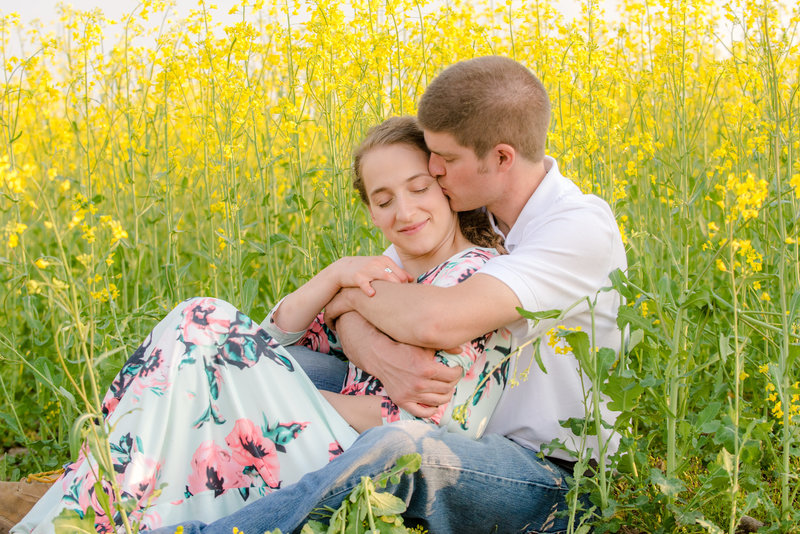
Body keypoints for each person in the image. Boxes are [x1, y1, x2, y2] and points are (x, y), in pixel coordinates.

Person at [152, 55, 628, 533]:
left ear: (501, 158)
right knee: (239, 365)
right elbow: (365, 302)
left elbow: (431, 320)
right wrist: (374, 346)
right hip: (441, 416)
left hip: (545, 470)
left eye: (447, 160)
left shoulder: (575, 229)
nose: (434, 169)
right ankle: (134, 496)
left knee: (400, 449)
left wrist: (353, 300)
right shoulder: (466, 214)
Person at [12, 117, 511, 533]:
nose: (404, 211)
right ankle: (97, 508)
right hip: (321, 435)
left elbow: (422, 422)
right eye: (383, 201)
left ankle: (82, 511)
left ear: (446, 188)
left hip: (361, 467)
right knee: (198, 332)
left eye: (419, 188)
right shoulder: (384, 271)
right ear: (370, 212)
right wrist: (336, 275)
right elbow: (279, 339)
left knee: (203, 325)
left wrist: (266, 385)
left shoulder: (475, 281)